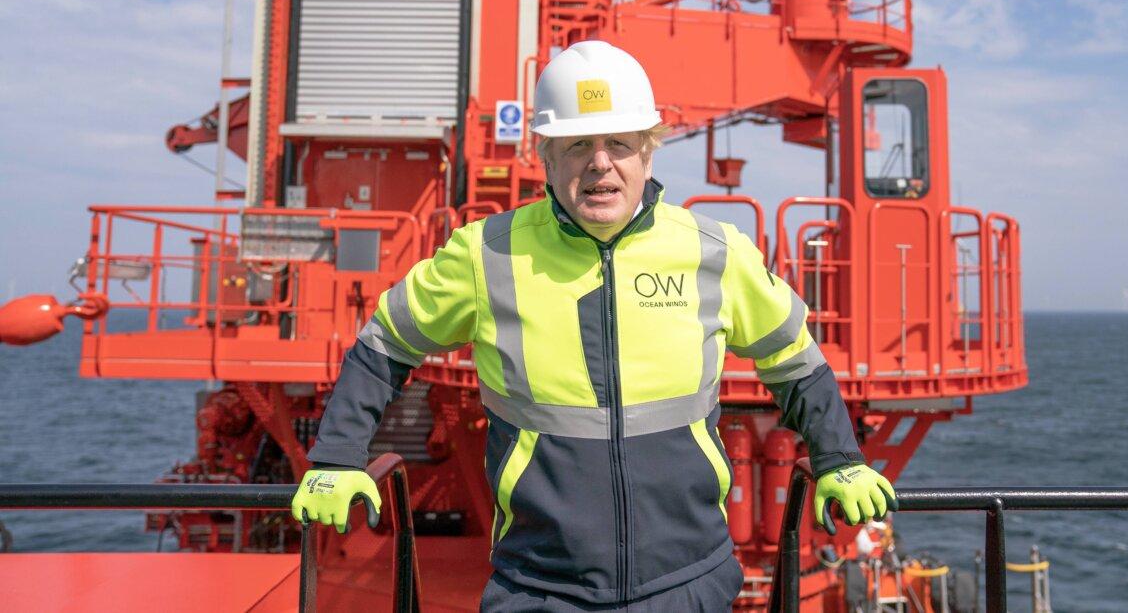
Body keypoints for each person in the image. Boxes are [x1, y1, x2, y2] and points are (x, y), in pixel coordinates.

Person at [290, 40, 897, 611]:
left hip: (686, 583)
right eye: (578, 144)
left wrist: (840, 458)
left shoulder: (714, 252)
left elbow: (795, 360)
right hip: (539, 587)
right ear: (546, 157)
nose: (600, 164)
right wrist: (337, 459)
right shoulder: (486, 256)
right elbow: (383, 346)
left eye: (620, 143)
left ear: (649, 151)